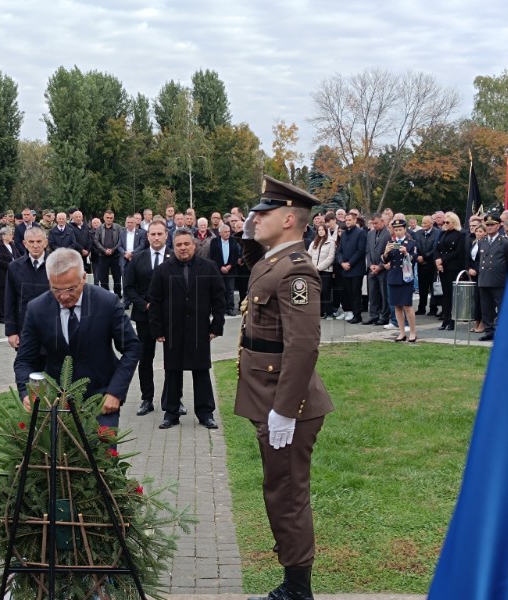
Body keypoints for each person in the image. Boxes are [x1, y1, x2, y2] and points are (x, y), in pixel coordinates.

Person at [234, 176, 334, 600]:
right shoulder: (273, 260)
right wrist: (253, 230)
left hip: (285, 402)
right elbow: (251, 255)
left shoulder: (296, 271)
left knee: (288, 495)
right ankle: (293, 582)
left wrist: (285, 410)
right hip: (268, 394)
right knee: (279, 491)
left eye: (264, 212)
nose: (254, 218)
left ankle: (298, 591)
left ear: (289, 218)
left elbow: (304, 344)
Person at [13, 248, 141, 429]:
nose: (64, 296)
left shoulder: (107, 303)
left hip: (101, 400)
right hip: (55, 404)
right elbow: (24, 360)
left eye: (71, 288)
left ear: (83, 277)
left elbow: (132, 348)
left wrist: (115, 391)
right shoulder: (37, 309)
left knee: (103, 456)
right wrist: (26, 393)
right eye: (56, 289)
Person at [149, 228, 225, 430]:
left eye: (186, 244)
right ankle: (171, 413)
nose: (183, 248)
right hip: (172, 330)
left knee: (201, 371)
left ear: (194, 245)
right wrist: (157, 330)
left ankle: (205, 413)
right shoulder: (163, 270)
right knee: (172, 372)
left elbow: (219, 298)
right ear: (174, 247)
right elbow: (155, 301)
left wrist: (216, 326)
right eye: (179, 245)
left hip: (200, 329)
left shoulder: (208, 267)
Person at [123, 220, 172, 416]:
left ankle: (173, 398)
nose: (156, 237)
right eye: (153, 234)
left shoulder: (174, 258)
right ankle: (147, 399)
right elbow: (129, 287)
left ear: (166, 235)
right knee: (145, 359)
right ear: (147, 236)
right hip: (144, 316)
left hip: (169, 317)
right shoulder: (137, 258)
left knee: (173, 359)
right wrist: (145, 304)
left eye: (160, 234)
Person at [4, 227, 49, 369]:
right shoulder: (15, 267)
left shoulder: (56, 265)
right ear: (24, 243)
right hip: (26, 329)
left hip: (52, 329)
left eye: (39, 241)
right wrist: (11, 332)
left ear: (46, 242)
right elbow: (9, 301)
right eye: (31, 242)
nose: (35, 245)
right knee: (28, 373)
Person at [476, 213, 508, 341]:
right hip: (484, 279)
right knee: (486, 308)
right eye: (487, 225)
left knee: (503, 308)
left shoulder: (505, 243)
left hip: (499, 280)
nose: (490, 227)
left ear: (499, 226)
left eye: (492, 225)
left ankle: (506, 331)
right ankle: (489, 331)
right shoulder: (482, 242)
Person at [381, 219, 419, 342]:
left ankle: (412, 332)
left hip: (405, 277)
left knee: (407, 306)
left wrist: (406, 253)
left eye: (400, 229)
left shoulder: (411, 242)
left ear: (404, 229)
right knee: (397, 306)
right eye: (396, 229)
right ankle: (401, 332)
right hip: (393, 276)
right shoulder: (391, 242)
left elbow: (414, 259)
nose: (398, 232)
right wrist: (386, 252)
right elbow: (385, 260)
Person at [435, 212, 465, 331]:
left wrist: (442, 260)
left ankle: (452, 320)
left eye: (447, 222)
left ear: (454, 222)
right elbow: (436, 248)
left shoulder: (460, 235)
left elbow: (458, 252)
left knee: (453, 295)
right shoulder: (442, 234)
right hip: (443, 268)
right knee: (445, 295)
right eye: (444, 222)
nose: (445, 224)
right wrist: (437, 261)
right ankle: (445, 319)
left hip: (453, 267)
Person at [336, 211, 366, 323]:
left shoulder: (361, 233)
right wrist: (341, 262)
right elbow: (340, 251)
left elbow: (361, 251)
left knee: (356, 293)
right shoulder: (344, 234)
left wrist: (350, 263)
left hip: (356, 269)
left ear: (355, 220)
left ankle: (357, 315)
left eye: (349, 220)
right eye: (346, 220)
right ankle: (352, 312)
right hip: (345, 269)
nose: (347, 222)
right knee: (347, 293)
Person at [364, 213, 391, 326]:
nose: (375, 225)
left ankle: (384, 316)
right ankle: (373, 315)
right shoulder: (370, 234)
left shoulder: (388, 234)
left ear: (382, 222)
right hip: (372, 268)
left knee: (384, 294)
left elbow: (388, 253)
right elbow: (368, 251)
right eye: (373, 223)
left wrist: (379, 266)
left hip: (383, 269)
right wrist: (370, 265)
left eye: (377, 223)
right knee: (373, 293)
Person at [209, 224, 241, 316]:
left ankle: (230, 308)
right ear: (220, 233)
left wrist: (230, 266)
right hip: (219, 270)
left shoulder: (233, 241)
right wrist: (220, 267)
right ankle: (221, 308)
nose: (227, 234)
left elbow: (235, 255)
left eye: (228, 232)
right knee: (220, 290)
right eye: (225, 232)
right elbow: (213, 256)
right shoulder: (214, 242)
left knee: (230, 290)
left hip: (231, 270)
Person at [307, 224, 336, 319]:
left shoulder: (330, 242)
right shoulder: (314, 242)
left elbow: (330, 257)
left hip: (325, 271)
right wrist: (312, 267)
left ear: (326, 231)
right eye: (319, 230)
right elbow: (309, 255)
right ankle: (320, 312)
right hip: (314, 271)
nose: (321, 231)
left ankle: (329, 312)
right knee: (316, 292)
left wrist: (319, 268)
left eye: (322, 230)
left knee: (325, 291)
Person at [414, 216, 439, 316]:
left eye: (426, 223)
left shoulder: (437, 233)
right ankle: (421, 307)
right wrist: (418, 257)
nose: (423, 225)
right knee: (422, 287)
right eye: (423, 223)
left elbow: (435, 248)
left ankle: (433, 308)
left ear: (431, 223)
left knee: (433, 287)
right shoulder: (418, 234)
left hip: (432, 264)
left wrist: (424, 257)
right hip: (421, 265)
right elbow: (415, 246)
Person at [466, 223, 486, 334]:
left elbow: (483, 259)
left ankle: (483, 322)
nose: (478, 233)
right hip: (473, 273)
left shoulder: (485, 244)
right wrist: (469, 268)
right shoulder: (474, 243)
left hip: (481, 273)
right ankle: (477, 321)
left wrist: (477, 270)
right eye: (477, 231)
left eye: (481, 231)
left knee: (482, 298)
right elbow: (469, 258)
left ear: (485, 233)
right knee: (476, 299)